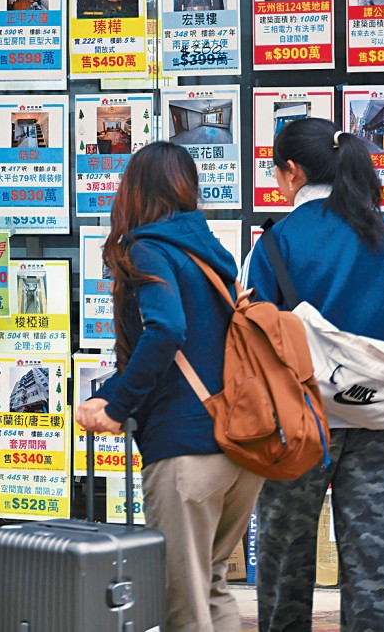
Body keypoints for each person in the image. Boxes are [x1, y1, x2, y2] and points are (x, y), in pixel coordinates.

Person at [242, 118, 384, 632]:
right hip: (374, 424)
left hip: (296, 426)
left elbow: (253, 340)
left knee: (284, 564)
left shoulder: (274, 244)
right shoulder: (383, 233)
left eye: (275, 171)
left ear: (293, 173)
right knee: (377, 567)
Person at [75, 142, 264, 632]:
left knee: (181, 604)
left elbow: (167, 331)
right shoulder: (210, 253)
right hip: (239, 448)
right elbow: (190, 346)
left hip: (186, 454)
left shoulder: (149, 248)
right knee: (213, 585)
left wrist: (116, 406)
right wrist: (111, 392)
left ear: (132, 190)